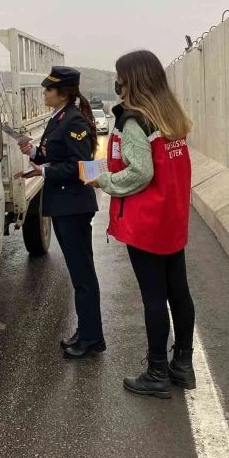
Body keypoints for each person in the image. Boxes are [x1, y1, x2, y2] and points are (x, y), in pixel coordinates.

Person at [88, 50, 196, 398]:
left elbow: (141, 172)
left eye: (119, 77)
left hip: (147, 222)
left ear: (132, 80)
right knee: (178, 291)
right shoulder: (170, 116)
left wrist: (103, 181)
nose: (116, 83)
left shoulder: (135, 121)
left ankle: (156, 372)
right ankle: (183, 365)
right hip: (172, 218)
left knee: (153, 298)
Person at [17, 66, 105, 359]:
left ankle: (91, 338)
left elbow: (79, 166)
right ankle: (87, 330)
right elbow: (51, 154)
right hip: (64, 205)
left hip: (74, 206)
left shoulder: (74, 120)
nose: (44, 93)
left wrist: (44, 171)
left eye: (49, 89)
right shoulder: (59, 118)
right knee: (79, 274)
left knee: (83, 275)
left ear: (63, 93)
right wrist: (32, 153)